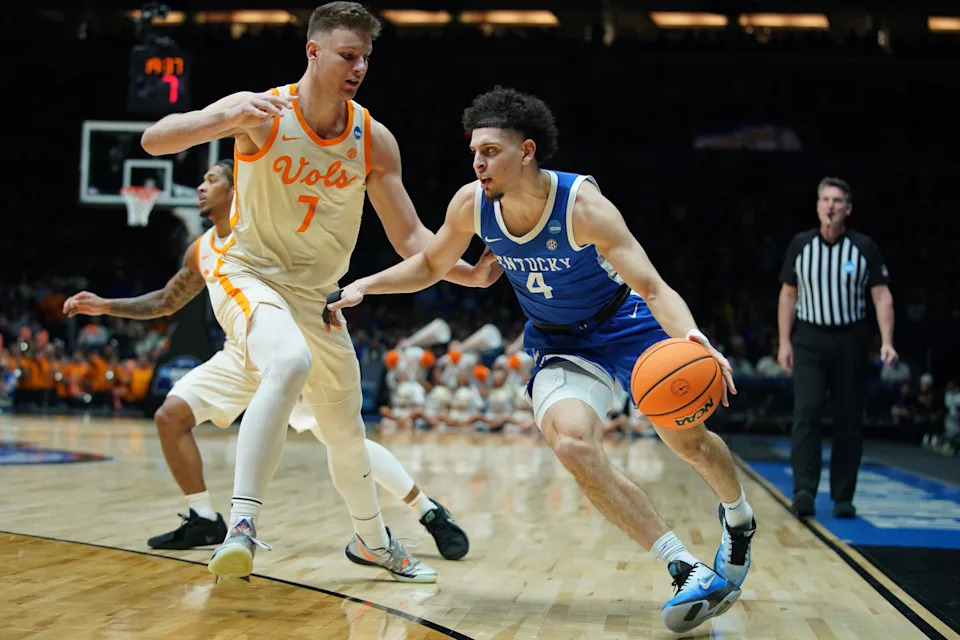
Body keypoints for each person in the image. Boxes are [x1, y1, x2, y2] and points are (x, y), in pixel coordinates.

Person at [326, 86, 756, 634]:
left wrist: (694, 336)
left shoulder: (584, 206)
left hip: (627, 326)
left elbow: (651, 285)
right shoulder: (472, 204)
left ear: (526, 151)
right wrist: (365, 285)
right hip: (560, 342)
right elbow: (431, 264)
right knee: (573, 444)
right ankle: (683, 566)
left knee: (689, 443)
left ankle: (738, 518)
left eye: (491, 151)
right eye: (474, 152)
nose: (478, 163)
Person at [135, 2, 498, 584]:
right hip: (251, 275)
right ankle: (241, 525)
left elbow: (411, 238)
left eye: (366, 58)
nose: (359, 68)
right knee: (288, 362)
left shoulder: (373, 140)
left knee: (347, 437)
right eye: (348, 56)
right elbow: (155, 140)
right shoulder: (262, 111)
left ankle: (372, 541)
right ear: (313, 51)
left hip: (319, 297)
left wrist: (468, 273)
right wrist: (222, 116)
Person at [63, 160, 468, 562]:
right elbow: (167, 300)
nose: (200, 187)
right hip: (239, 356)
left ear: (237, 188)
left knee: (345, 443)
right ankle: (203, 517)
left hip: (288, 346)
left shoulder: (265, 234)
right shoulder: (201, 249)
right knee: (170, 416)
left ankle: (427, 510)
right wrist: (106, 306)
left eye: (211, 180)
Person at [777, 177, 898, 519]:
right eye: (825, 199)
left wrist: (887, 341)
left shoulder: (863, 247)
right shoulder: (801, 244)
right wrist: (784, 341)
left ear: (848, 208)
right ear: (818, 206)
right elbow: (788, 295)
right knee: (807, 411)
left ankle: (843, 496)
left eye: (837, 200)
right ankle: (803, 491)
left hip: (850, 340)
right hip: (810, 338)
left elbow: (882, 295)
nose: (830, 205)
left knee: (849, 417)